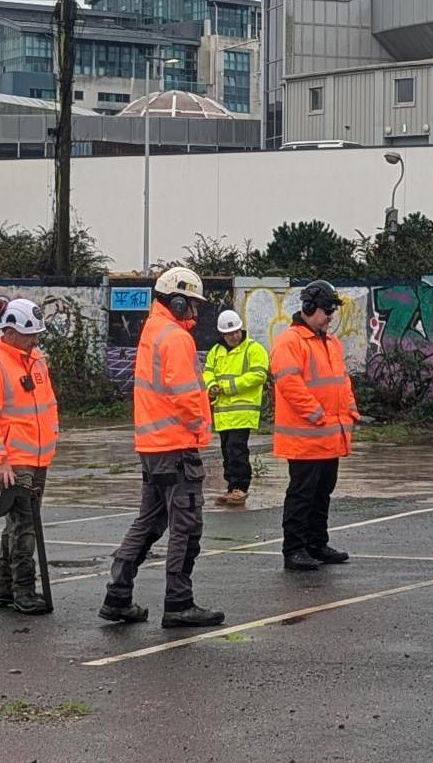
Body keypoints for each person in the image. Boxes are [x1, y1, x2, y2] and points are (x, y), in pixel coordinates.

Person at [101, 267, 225, 628]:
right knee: (186, 527)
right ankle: (179, 601)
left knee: (149, 522)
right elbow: (185, 393)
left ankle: (118, 594)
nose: (196, 313)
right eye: (192, 305)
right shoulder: (175, 337)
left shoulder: (153, 331)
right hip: (176, 445)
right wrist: (200, 428)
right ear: (178, 300)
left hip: (153, 447)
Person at [0, 297, 59, 616]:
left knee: (17, 524)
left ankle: (2, 590)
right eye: (29, 334)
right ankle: (24, 590)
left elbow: (46, 405)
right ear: (9, 331)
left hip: (37, 458)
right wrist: (0, 461)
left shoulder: (36, 361)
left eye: (37, 334)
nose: (35, 340)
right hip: (13, 461)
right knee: (25, 526)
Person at [271, 280, 361, 572]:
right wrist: (315, 414)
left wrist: (350, 409)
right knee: (302, 494)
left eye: (332, 310)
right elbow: (289, 383)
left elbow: (342, 381)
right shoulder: (290, 341)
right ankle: (294, 549)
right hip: (306, 437)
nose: (330, 316)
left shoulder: (331, 343)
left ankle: (316, 543)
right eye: (326, 310)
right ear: (309, 308)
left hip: (329, 436)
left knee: (323, 492)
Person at [203, 309, 268, 506]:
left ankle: (240, 487)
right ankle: (232, 488)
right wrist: (211, 386)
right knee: (227, 451)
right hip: (223, 413)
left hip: (243, 411)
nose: (234, 335)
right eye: (230, 333)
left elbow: (259, 375)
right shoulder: (216, 351)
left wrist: (228, 387)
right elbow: (207, 372)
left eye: (237, 331)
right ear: (222, 334)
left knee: (237, 450)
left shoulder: (254, 349)